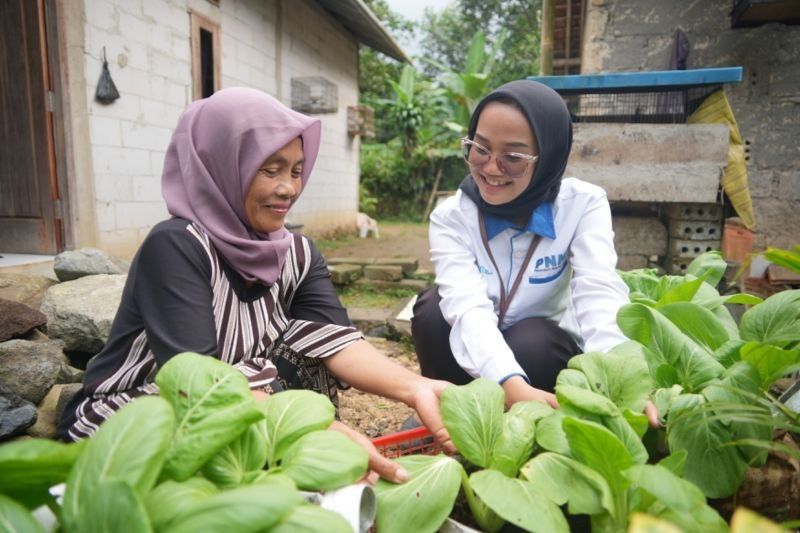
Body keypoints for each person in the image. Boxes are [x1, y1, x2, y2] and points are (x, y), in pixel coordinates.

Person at [58, 87, 453, 482]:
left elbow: (339, 340)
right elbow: (198, 382)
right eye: (270, 169)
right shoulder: (177, 245)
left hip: (243, 404)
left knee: (309, 349)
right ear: (224, 165)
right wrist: (316, 433)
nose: (289, 188)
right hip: (151, 411)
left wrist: (415, 387)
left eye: (296, 170)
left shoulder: (296, 252)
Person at [412, 80, 658, 426]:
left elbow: (598, 290)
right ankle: (450, 413)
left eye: (512, 158)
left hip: (539, 353)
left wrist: (620, 375)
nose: (491, 168)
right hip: (475, 349)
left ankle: (531, 423)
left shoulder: (583, 205)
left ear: (548, 157)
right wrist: (507, 382)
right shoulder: (452, 217)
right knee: (433, 311)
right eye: (480, 149)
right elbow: (466, 305)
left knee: (533, 339)